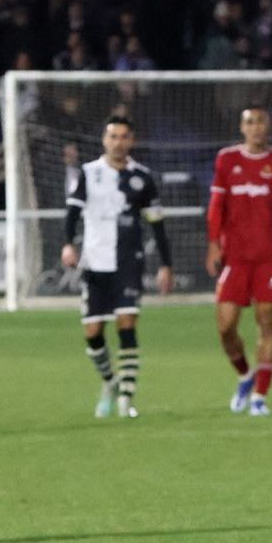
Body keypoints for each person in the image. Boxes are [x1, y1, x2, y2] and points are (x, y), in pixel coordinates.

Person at [60, 114, 173, 417]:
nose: (118, 142)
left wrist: (166, 265)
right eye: (113, 136)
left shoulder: (143, 177)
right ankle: (110, 381)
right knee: (93, 333)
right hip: (94, 263)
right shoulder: (88, 172)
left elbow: (157, 225)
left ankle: (126, 398)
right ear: (104, 140)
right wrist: (68, 243)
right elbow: (73, 213)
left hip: (128, 262)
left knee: (127, 324)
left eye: (124, 137)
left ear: (131, 141)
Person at [206, 104, 272, 416]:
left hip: (268, 257)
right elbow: (216, 205)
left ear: (269, 126)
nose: (256, 127)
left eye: (261, 121)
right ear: (242, 127)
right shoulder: (227, 159)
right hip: (235, 257)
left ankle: (260, 395)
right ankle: (245, 376)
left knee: (266, 321)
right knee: (225, 327)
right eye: (250, 121)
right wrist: (213, 244)